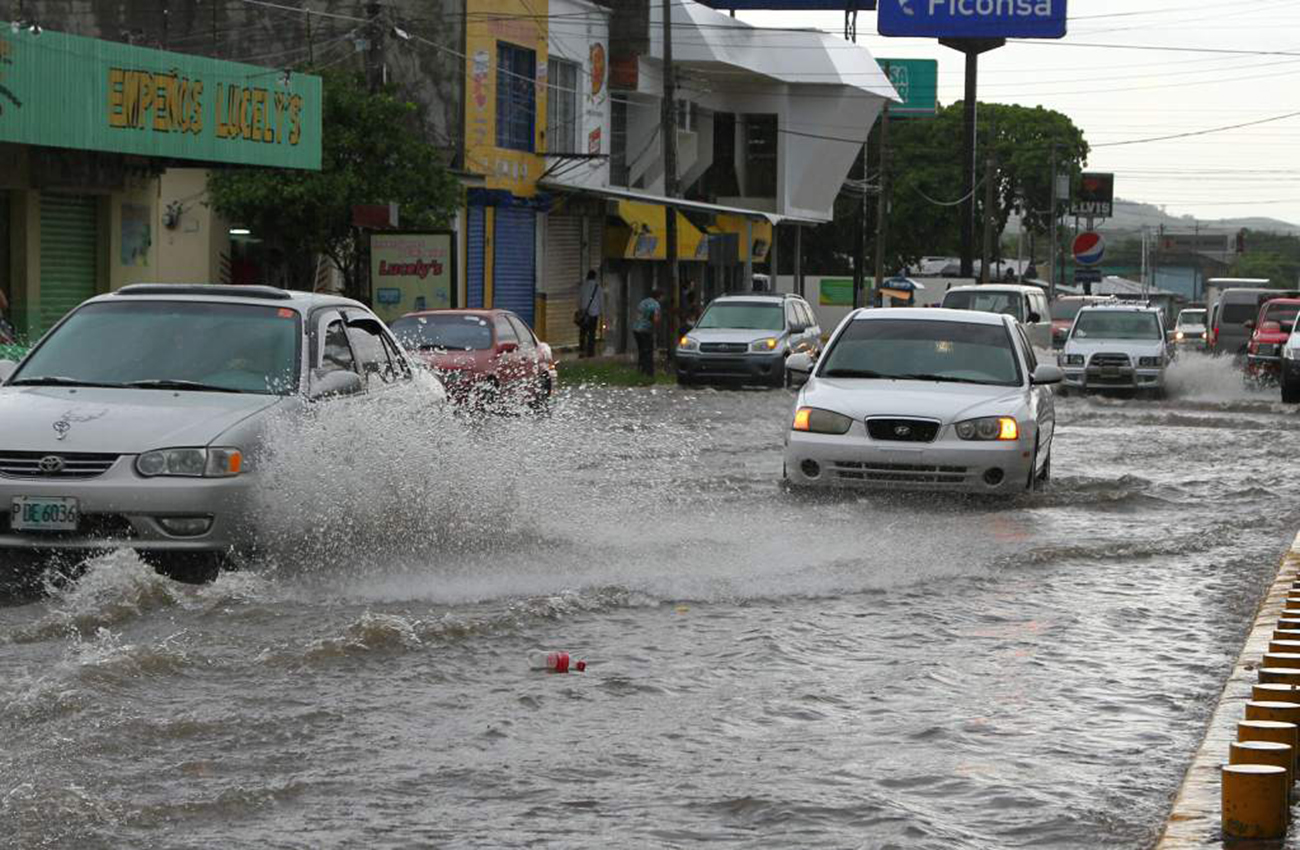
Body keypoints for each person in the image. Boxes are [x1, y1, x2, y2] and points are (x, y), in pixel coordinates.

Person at [632, 288, 662, 377]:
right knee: (648, 351)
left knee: (641, 351)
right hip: (646, 330)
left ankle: (640, 371)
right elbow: (656, 319)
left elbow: (638, 315)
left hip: (636, 329)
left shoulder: (643, 302)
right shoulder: (656, 304)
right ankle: (649, 373)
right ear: (659, 297)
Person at [576, 269, 601, 358]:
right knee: (592, 332)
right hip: (594, 313)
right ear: (595, 277)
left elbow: (579, 300)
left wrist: (579, 310)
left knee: (583, 331)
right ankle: (591, 350)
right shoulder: (598, 287)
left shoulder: (583, 286)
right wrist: (601, 311)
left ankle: (582, 348)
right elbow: (601, 301)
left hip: (584, 313)